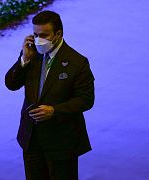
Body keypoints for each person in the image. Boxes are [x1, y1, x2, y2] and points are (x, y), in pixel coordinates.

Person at [5, 10, 95, 180]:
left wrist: (54, 110)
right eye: (35, 34)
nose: (39, 40)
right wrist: (24, 59)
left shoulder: (77, 62)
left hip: (61, 142)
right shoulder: (32, 54)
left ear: (58, 34)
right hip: (31, 139)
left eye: (44, 35)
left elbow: (86, 100)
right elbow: (11, 84)